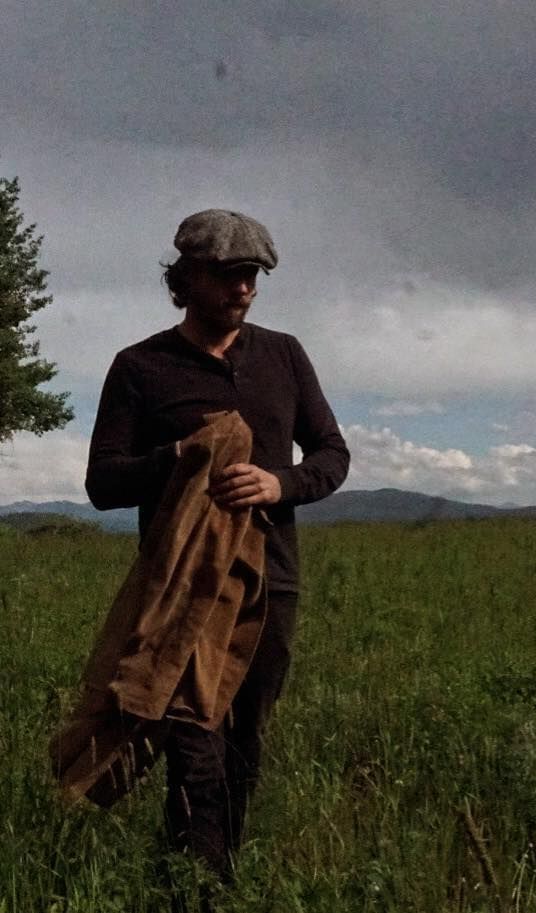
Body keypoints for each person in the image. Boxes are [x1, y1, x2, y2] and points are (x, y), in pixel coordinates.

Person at [85, 209, 350, 878]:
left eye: (253, 277)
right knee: (193, 740)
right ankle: (194, 886)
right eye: (230, 275)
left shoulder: (283, 354)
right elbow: (102, 482)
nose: (244, 290)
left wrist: (277, 483)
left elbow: (331, 452)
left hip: (270, 581)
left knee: (244, 741)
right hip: (183, 588)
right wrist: (177, 456)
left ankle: (214, 870)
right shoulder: (140, 368)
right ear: (188, 277)